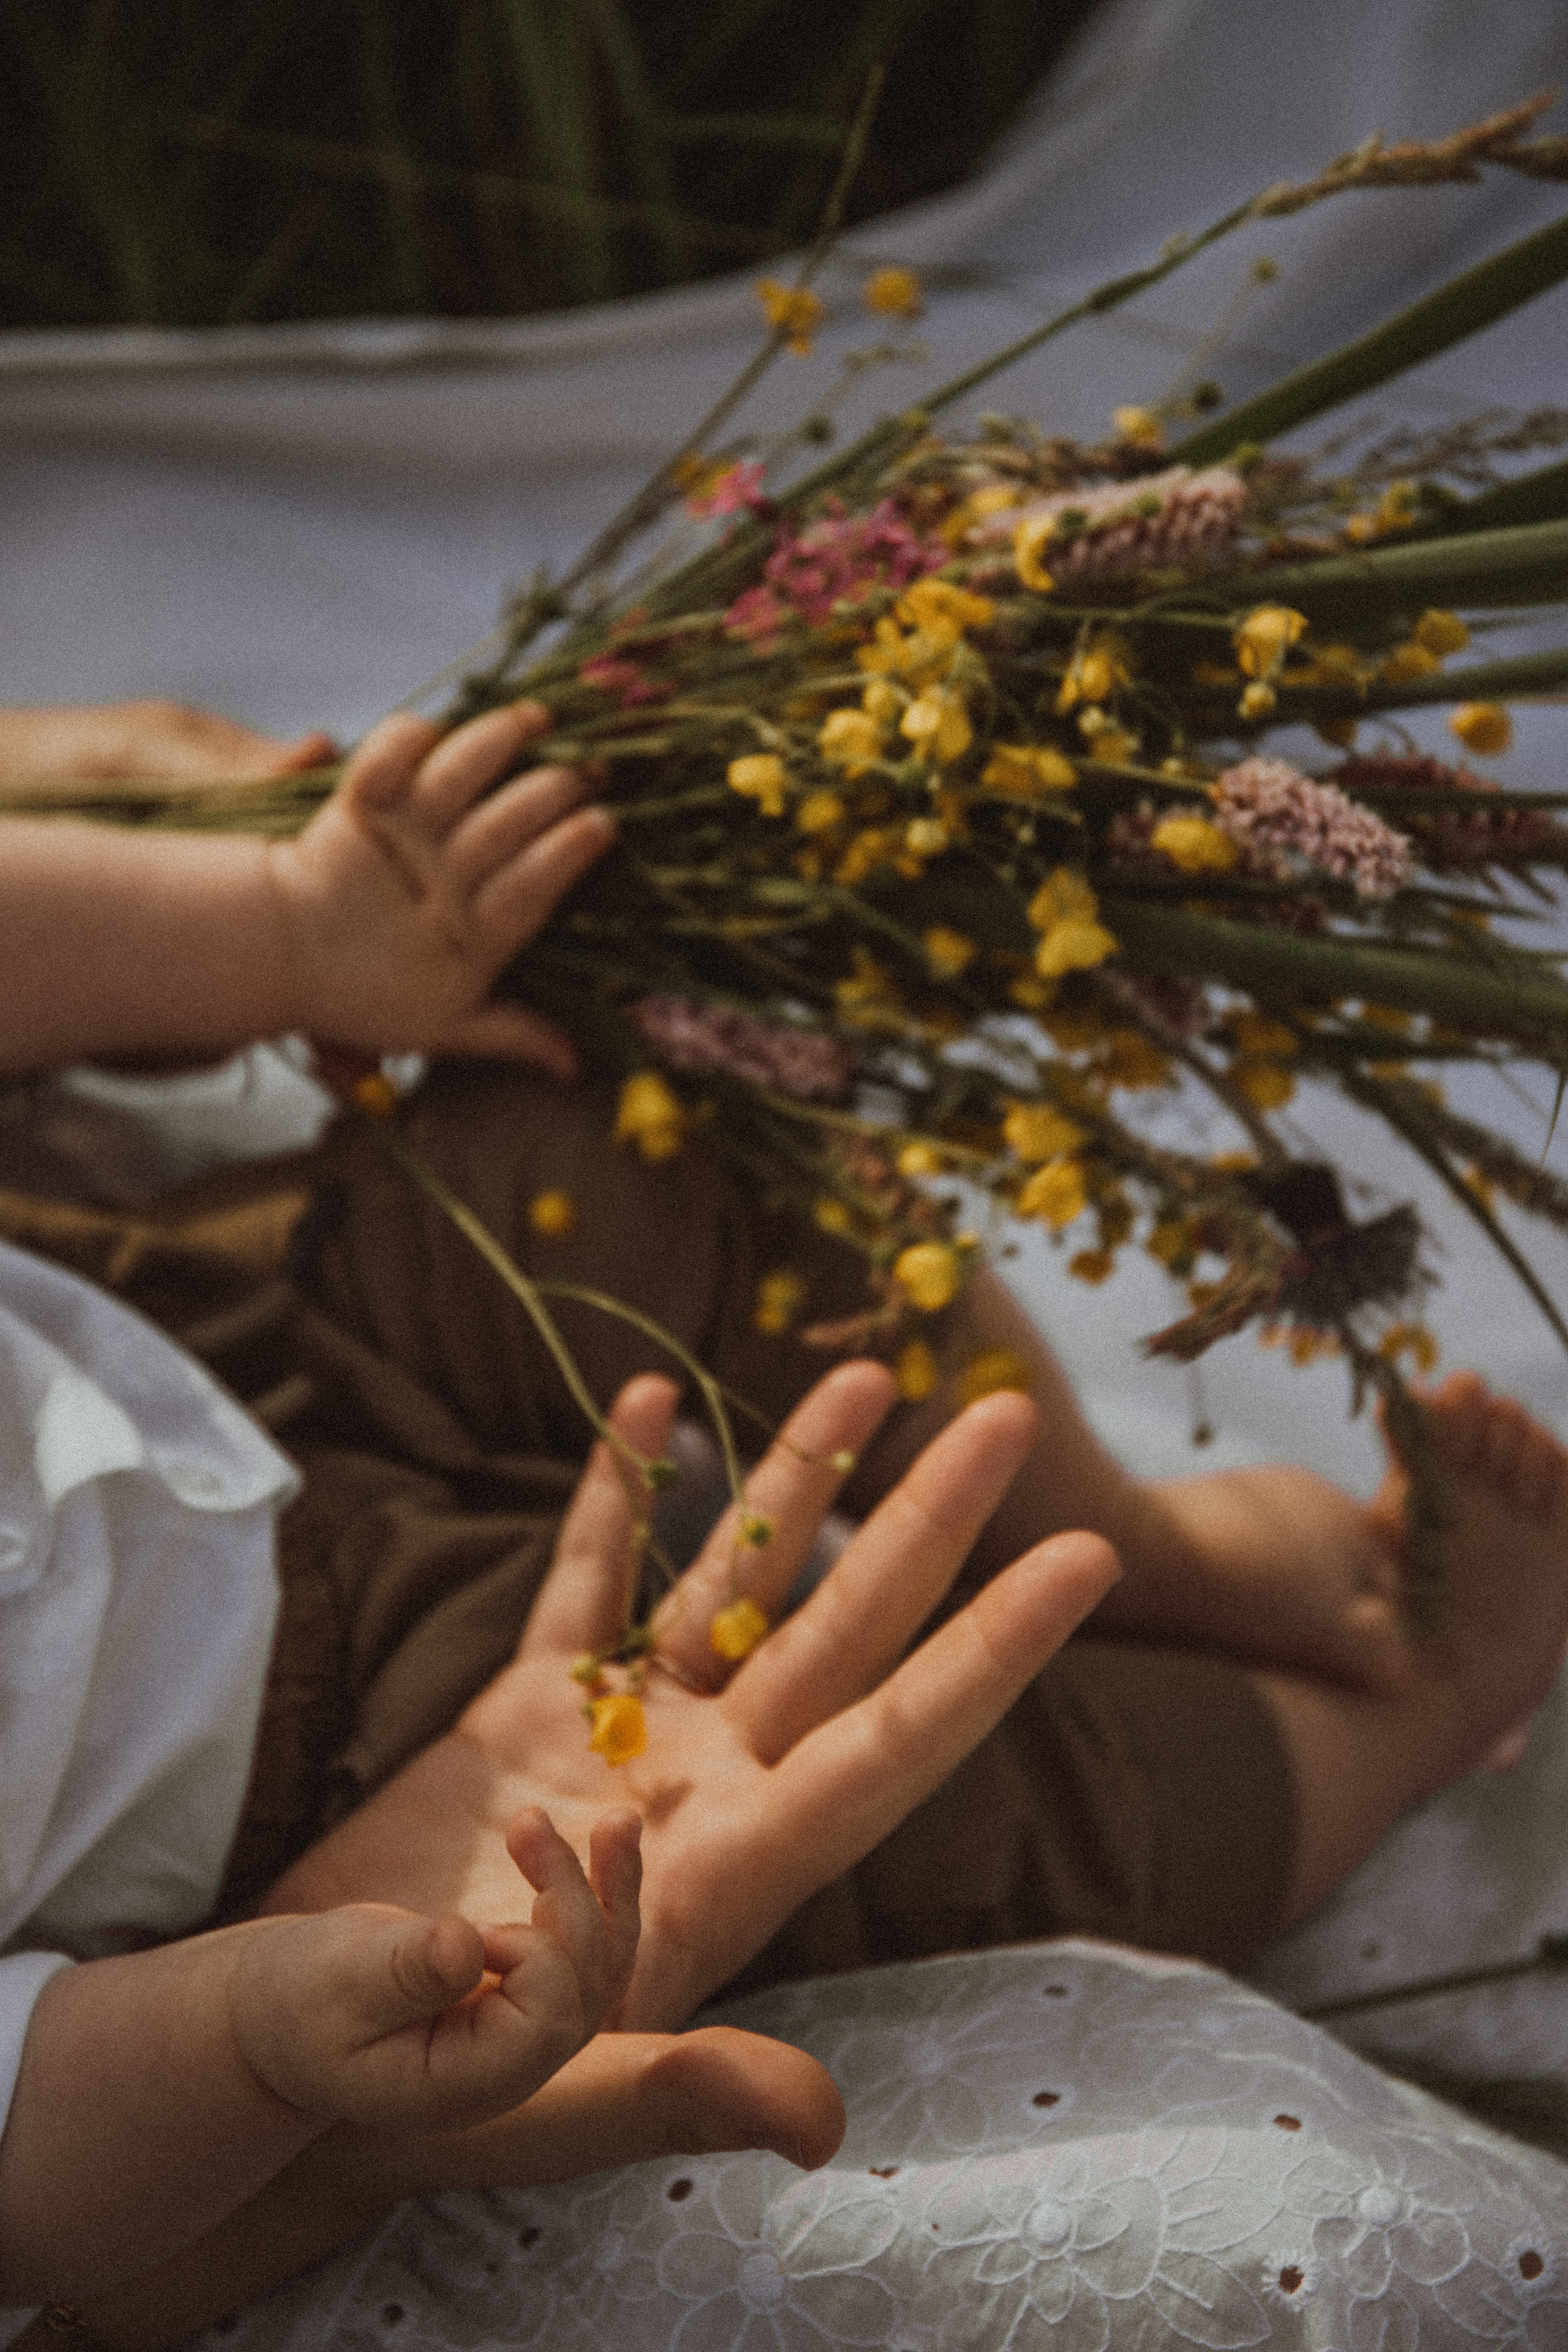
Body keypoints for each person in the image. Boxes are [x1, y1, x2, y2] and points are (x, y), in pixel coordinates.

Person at [1, 696, 1564, 2346]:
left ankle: (1129, 1533)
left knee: (632, 1165)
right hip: (313, 1790)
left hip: (168, 1305)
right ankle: (1414, 1702)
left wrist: (277, 933)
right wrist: (259, 2042)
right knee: (944, 1799)